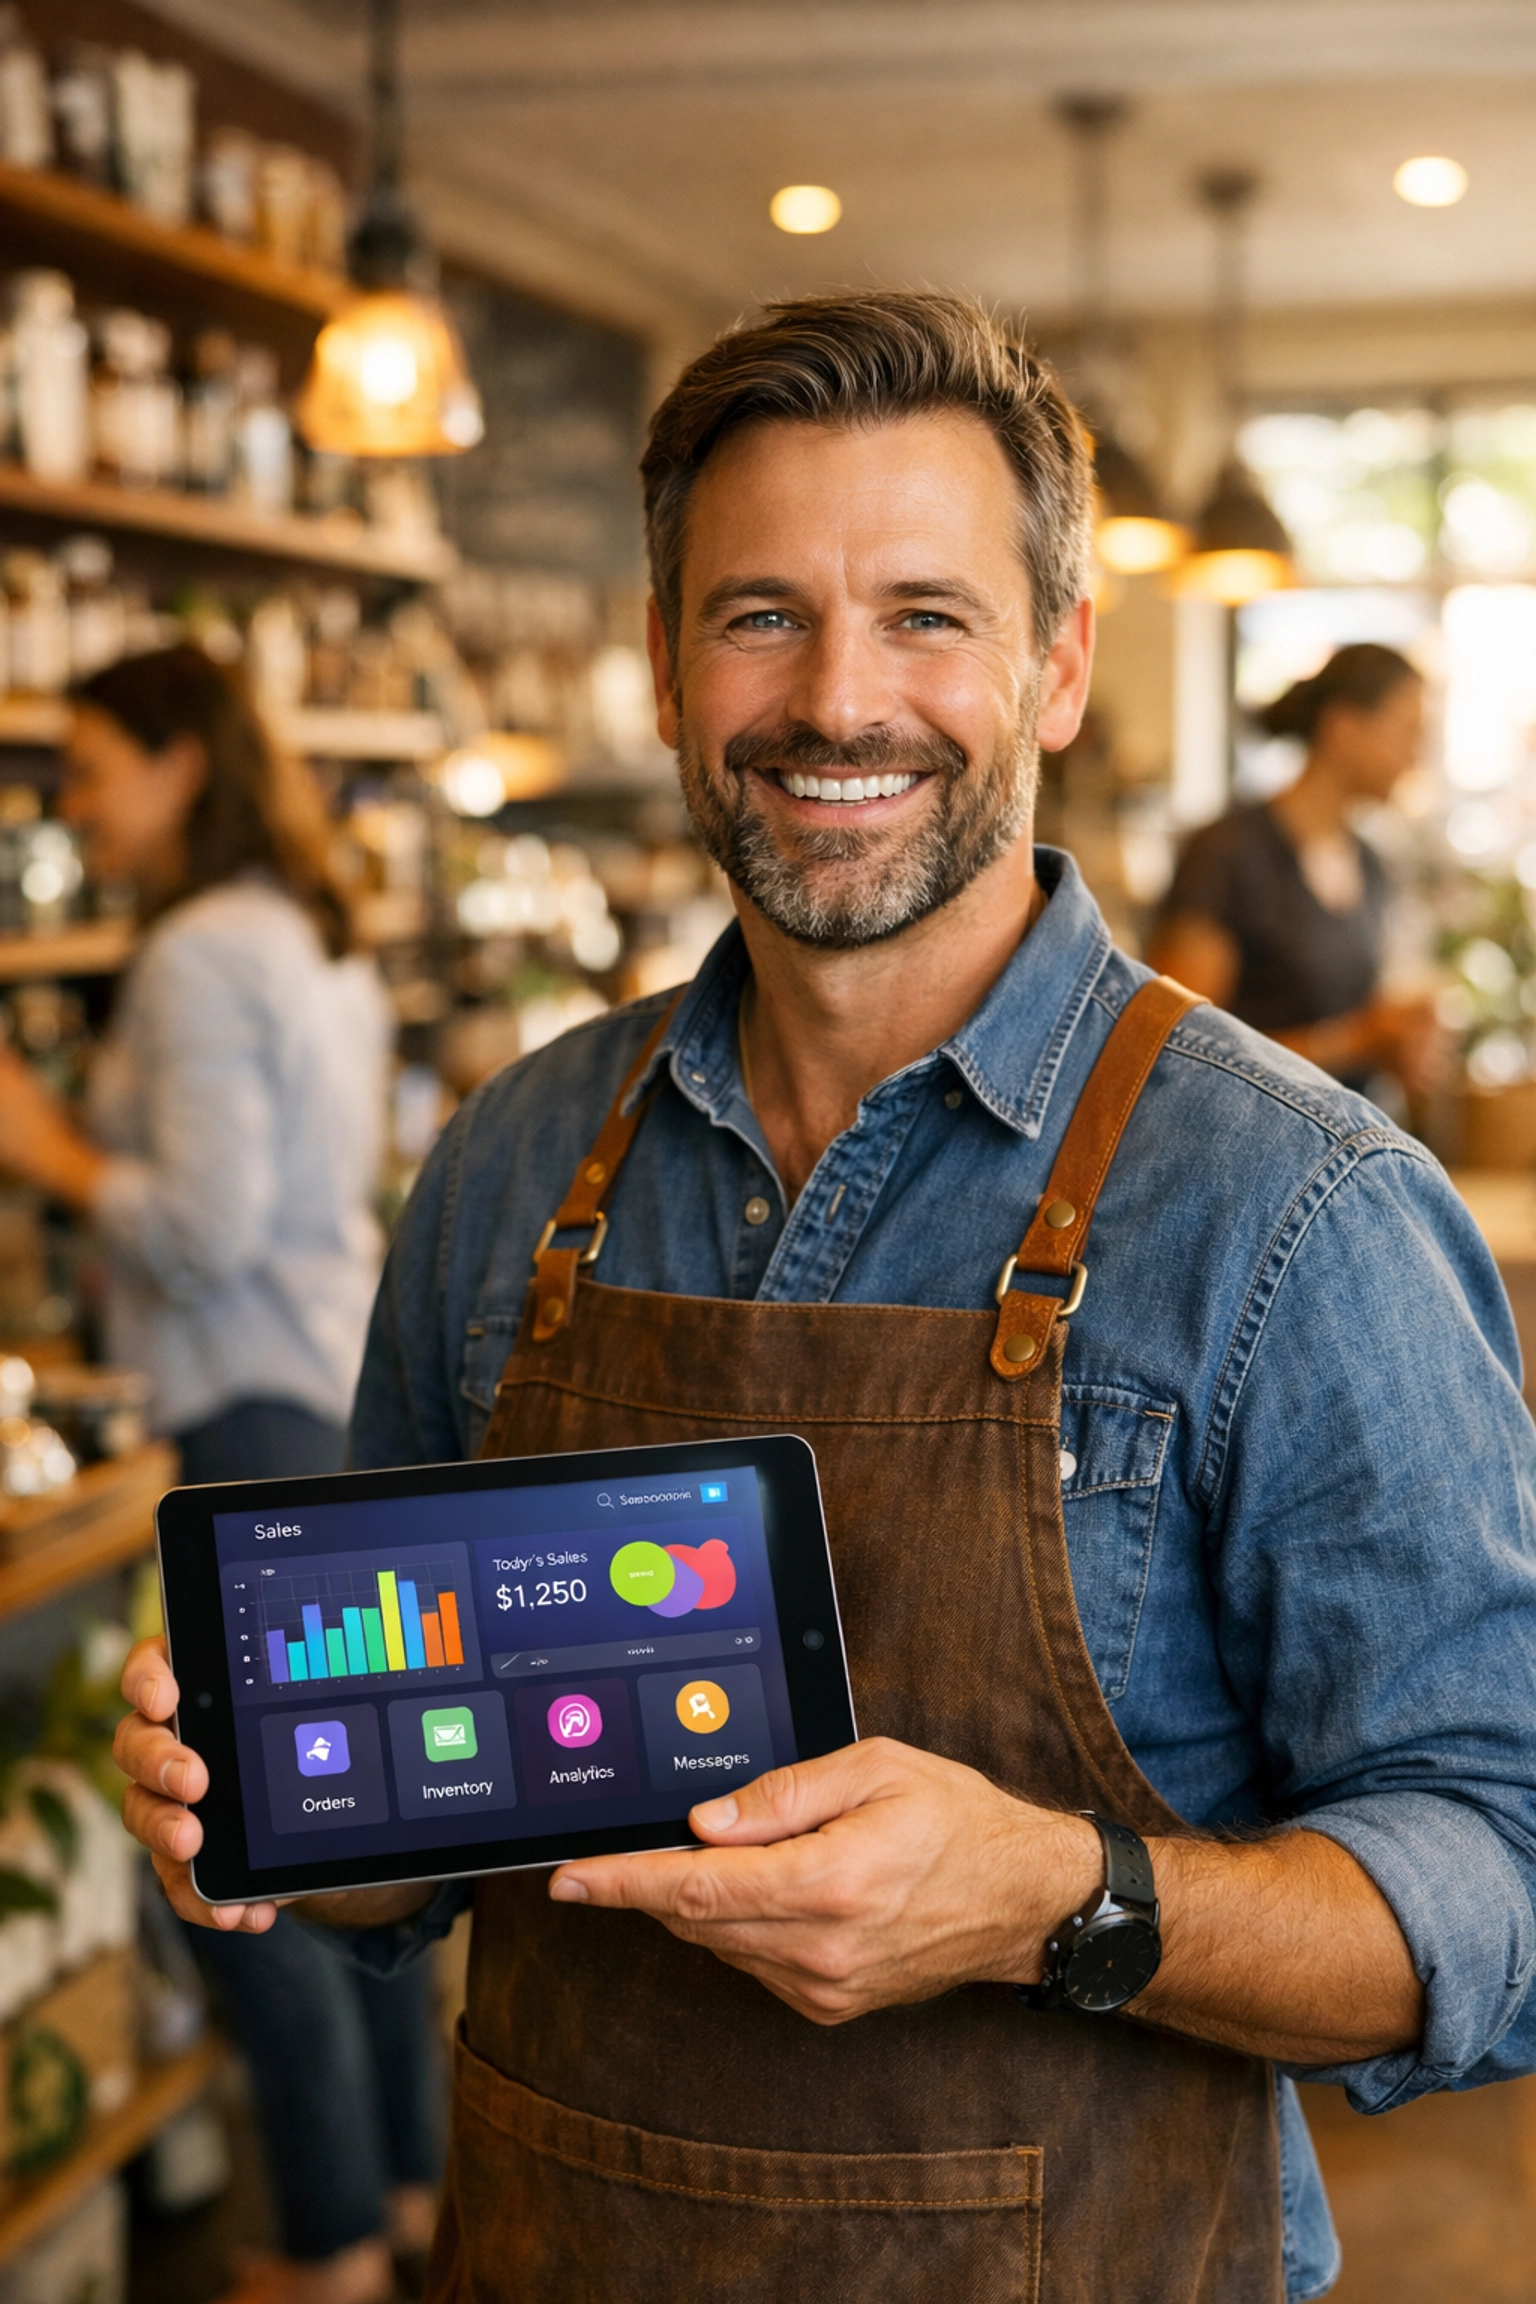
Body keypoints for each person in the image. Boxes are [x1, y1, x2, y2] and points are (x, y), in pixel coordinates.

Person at [113, 298, 1536, 2304]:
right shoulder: (518, 1167)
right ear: (666, 666)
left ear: (1058, 666)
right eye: (759, 616)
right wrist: (263, 1807)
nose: (836, 701)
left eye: (928, 618)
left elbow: (1508, 1882)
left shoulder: (1297, 1209)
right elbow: (419, 1838)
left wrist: (1060, 1898)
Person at [0, 647, 442, 2304]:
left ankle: (321, 2235)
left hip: (245, 1414)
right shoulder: (307, 928)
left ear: (182, 763)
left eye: (93, 766)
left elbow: (201, 1228)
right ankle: (402, 2201)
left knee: (234, 1862)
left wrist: (42, 1143)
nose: (76, 807)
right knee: (356, 1836)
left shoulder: (195, 951)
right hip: (324, 1395)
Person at [1148, 643, 1439, 1092]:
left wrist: (1395, 1049)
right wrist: (1355, 1040)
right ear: (1341, 727)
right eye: (1405, 732)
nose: (1414, 757)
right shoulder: (1227, 852)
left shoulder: (1371, 865)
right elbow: (1175, 1046)